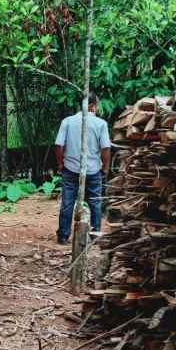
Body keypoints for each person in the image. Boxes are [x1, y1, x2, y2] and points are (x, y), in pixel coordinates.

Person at [55, 92, 110, 245]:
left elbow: (59, 145)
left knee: (67, 202)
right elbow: (106, 149)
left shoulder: (67, 122)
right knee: (95, 203)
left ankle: (63, 235)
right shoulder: (101, 124)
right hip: (93, 170)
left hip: (70, 168)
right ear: (93, 106)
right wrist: (105, 168)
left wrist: (61, 164)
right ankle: (95, 234)